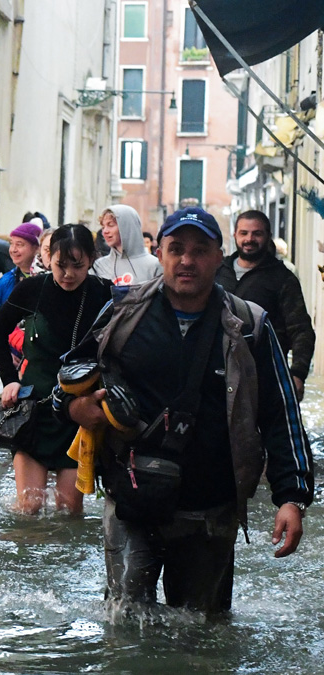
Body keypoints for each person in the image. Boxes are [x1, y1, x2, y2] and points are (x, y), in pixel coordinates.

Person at [58, 207, 313, 616]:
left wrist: (292, 497)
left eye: (200, 250)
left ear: (219, 256)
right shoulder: (121, 313)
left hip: (209, 509)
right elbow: (66, 381)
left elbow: (281, 415)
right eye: (176, 249)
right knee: (124, 625)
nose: (187, 260)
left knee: (203, 634)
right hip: (130, 501)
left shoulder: (250, 326)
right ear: (159, 253)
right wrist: (76, 407)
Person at [0, 225, 112, 514]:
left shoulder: (103, 292)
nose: (68, 274)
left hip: (78, 409)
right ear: (47, 258)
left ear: (92, 259)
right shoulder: (33, 288)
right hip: (34, 407)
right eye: (60, 265)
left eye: (77, 266)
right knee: (29, 507)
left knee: (69, 510)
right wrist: (9, 380)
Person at [215, 210, 315, 401]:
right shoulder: (218, 272)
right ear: (235, 235)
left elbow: (301, 330)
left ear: (268, 236)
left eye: (257, 233)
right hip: (217, 374)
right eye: (244, 233)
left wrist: (298, 374)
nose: (249, 239)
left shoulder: (283, 278)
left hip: (265, 377)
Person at [0, 222, 41, 350]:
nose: (13, 250)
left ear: (37, 248)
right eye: (11, 244)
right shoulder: (6, 281)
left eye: (20, 245)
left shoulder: (48, 280)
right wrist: (3, 352)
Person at [92, 205, 160, 286]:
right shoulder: (99, 266)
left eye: (110, 225)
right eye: (103, 227)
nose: (105, 231)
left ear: (126, 226)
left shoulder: (154, 265)